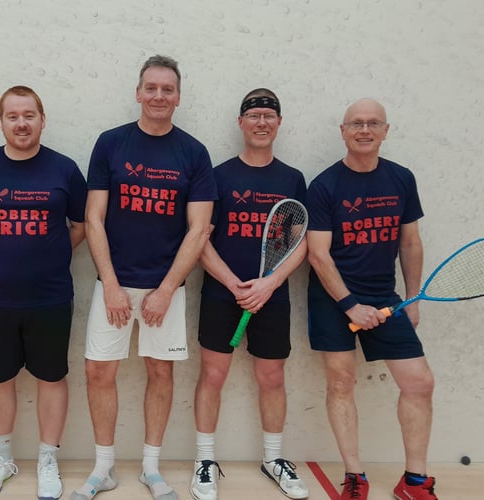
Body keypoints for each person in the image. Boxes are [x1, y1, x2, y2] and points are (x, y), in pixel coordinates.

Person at [72, 55, 217, 500]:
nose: (158, 96)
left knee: (160, 373)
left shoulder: (193, 152)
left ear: (178, 97)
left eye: (167, 89)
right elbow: (93, 220)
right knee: (99, 373)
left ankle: (152, 469)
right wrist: (111, 284)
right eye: (151, 88)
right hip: (113, 283)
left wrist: (167, 290)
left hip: (165, 288)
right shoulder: (111, 144)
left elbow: (199, 229)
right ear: (138, 93)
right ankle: (104, 468)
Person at [0, 85, 87, 500]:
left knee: (52, 378)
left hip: (50, 296)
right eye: (13, 116)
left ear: (42, 120)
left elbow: (82, 226)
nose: (22, 123)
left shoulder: (64, 170)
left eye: (29, 115)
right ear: (2, 122)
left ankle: (48, 460)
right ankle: (1, 459)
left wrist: (50, 253)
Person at [306, 98, 437, 500]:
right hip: (333, 300)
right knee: (342, 381)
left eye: (373, 123)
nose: (364, 130)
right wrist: (350, 306)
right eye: (356, 123)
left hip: (386, 297)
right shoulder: (325, 185)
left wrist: (412, 299)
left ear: (385, 130)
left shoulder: (401, 179)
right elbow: (318, 254)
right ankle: (354, 476)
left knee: (419, 383)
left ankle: (414, 481)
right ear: (342, 132)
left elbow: (410, 243)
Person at [190, 89, 309, 500]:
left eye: (269, 116)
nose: (261, 122)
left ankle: (274, 458)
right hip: (223, 295)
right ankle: (205, 460)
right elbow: (200, 238)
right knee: (212, 376)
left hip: (271, 296)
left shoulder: (292, 179)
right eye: (254, 115)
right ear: (241, 123)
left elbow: (300, 244)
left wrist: (268, 283)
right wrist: (232, 283)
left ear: (279, 124)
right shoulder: (218, 175)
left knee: (272, 377)